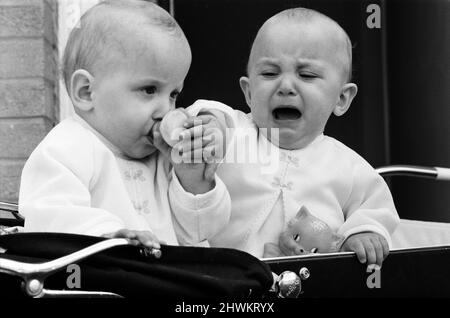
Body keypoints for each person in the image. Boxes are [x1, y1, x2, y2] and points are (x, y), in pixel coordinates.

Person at [190, 7, 399, 267]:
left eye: (306, 75)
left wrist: (362, 233)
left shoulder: (348, 165)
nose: (286, 86)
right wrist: (210, 123)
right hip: (229, 282)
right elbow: (207, 112)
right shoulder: (235, 135)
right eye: (269, 73)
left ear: (342, 98)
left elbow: (375, 208)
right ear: (248, 92)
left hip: (312, 283)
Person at [18, 0, 230, 251]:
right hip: (103, 280)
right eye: (149, 90)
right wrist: (107, 236)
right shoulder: (67, 147)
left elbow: (201, 231)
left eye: (173, 94)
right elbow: (50, 215)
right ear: (86, 92)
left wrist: (193, 181)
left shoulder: (165, 160)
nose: (166, 110)